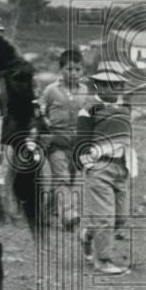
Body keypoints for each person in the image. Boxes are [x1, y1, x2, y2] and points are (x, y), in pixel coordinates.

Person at [77, 68, 132, 275]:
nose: (117, 88)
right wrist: (90, 166)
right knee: (105, 219)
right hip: (100, 167)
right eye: (112, 84)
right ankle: (103, 260)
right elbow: (80, 142)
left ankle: (88, 235)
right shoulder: (88, 110)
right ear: (98, 86)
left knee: (120, 218)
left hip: (122, 167)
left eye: (120, 85)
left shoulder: (125, 107)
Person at [40, 49, 91, 229]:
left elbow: (88, 116)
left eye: (78, 69)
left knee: (67, 180)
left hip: (75, 143)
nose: (73, 73)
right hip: (55, 141)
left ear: (83, 71)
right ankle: (69, 214)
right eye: (69, 69)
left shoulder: (85, 91)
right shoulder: (51, 90)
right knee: (61, 177)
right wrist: (44, 123)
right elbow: (41, 111)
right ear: (61, 70)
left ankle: (46, 214)